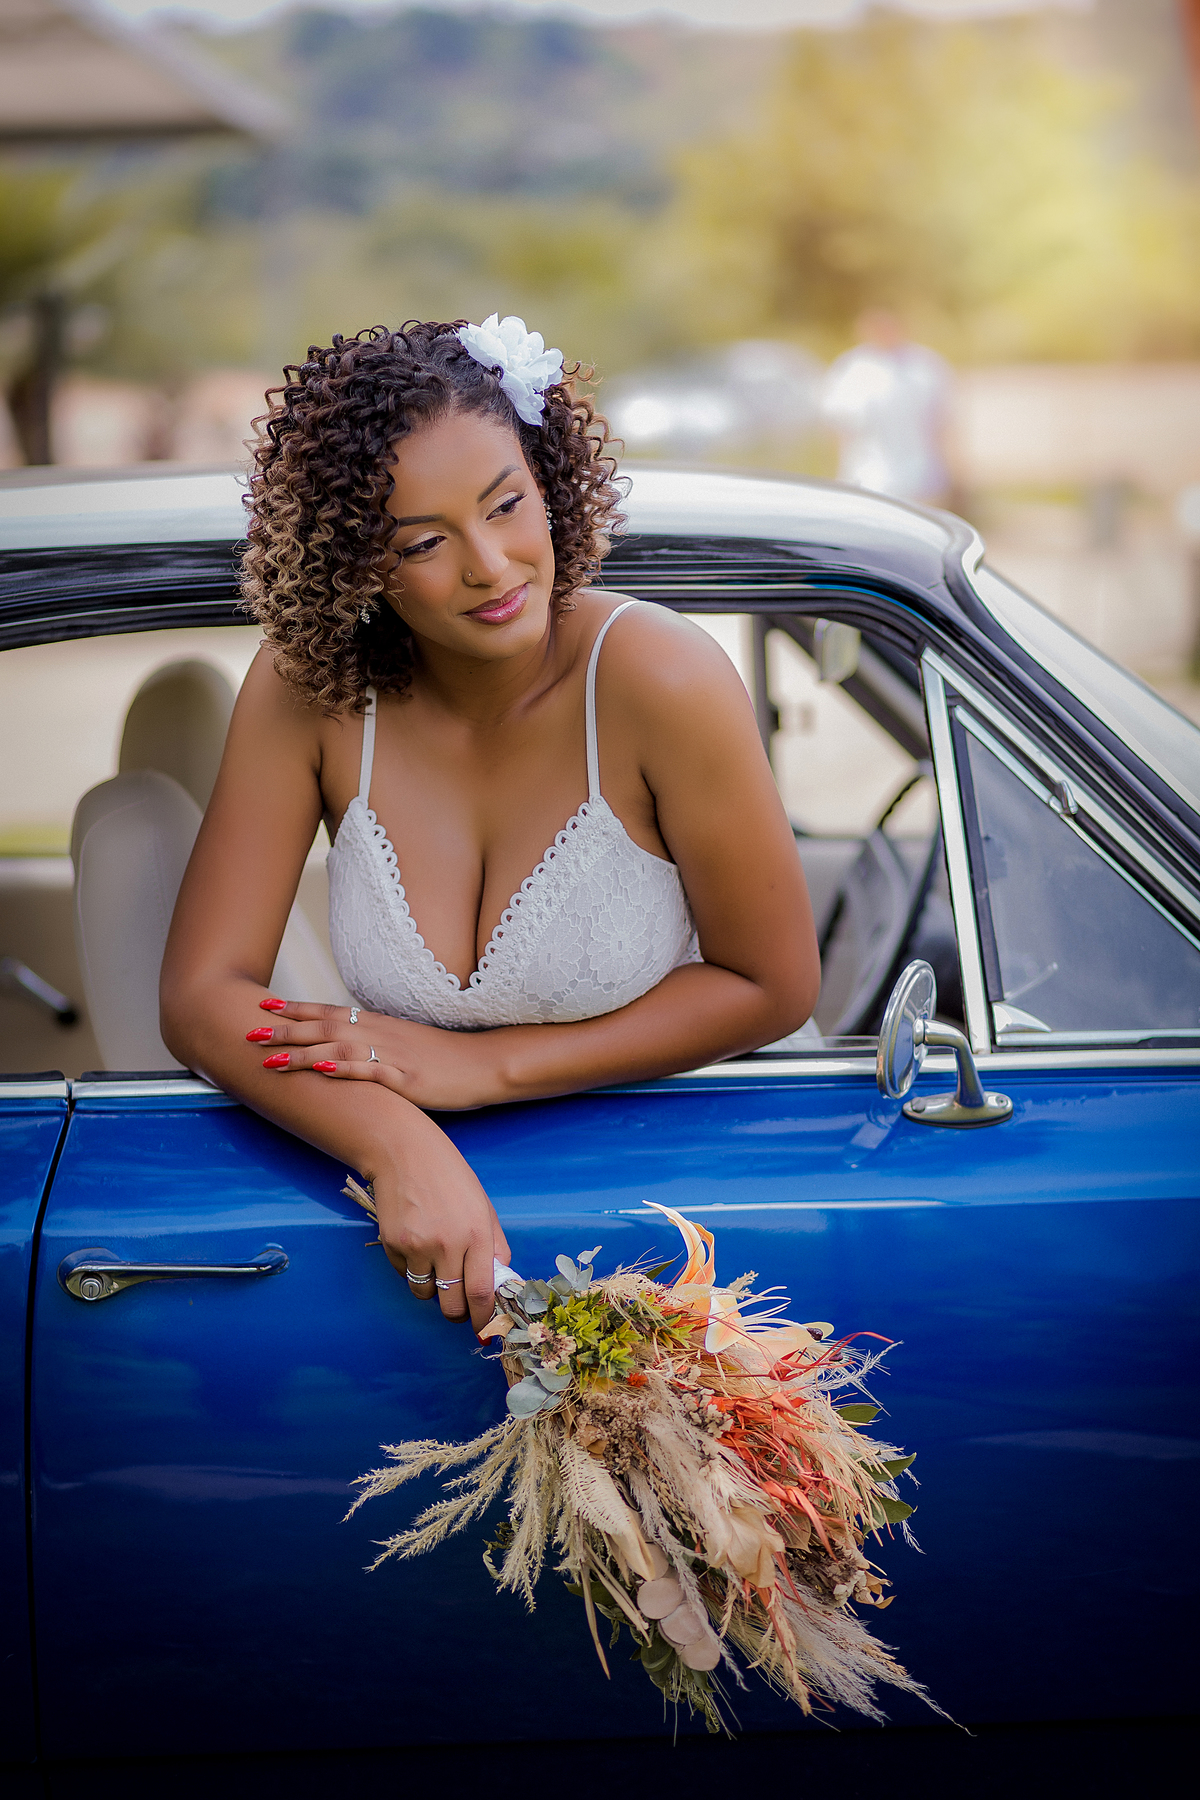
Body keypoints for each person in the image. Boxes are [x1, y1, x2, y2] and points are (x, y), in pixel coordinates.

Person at [161, 316, 820, 1333]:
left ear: (549, 481)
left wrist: (479, 1070)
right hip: (424, 1248)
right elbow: (202, 995)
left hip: (694, 1212)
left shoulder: (661, 677)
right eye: (424, 543)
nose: (491, 566)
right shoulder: (311, 694)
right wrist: (395, 1142)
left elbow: (770, 984)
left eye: (506, 505)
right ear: (359, 564)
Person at [820, 308, 952, 506]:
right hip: (867, 478)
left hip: (921, 478)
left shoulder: (925, 365)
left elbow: (943, 423)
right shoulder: (850, 368)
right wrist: (839, 472)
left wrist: (952, 473)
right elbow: (839, 427)